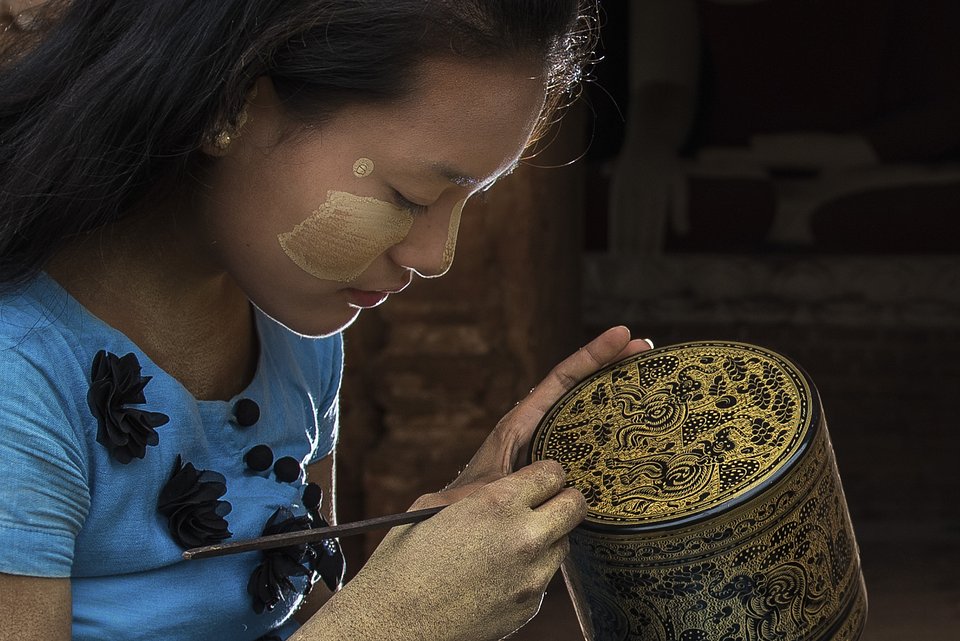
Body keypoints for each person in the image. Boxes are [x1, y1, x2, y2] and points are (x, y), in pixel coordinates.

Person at [0, 1, 652, 640]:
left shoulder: (292, 334)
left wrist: (454, 522)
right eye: (410, 195)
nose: (436, 256)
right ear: (230, 104)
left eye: (468, 200)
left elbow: (301, 616)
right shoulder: (19, 375)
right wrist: (396, 623)